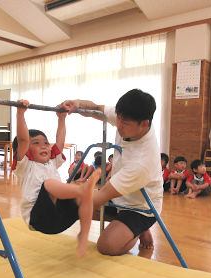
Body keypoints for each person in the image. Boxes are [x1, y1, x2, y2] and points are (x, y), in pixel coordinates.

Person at [60, 89, 163, 255]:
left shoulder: (142, 161)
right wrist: (77, 103)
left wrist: (61, 196)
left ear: (144, 123)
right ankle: (124, 226)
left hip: (139, 207)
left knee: (107, 246)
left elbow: (101, 196)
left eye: (125, 123)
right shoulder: (127, 116)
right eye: (119, 119)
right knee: (73, 209)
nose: (119, 125)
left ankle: (138, 229)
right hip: (118, 198)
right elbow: (96, 108)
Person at [12, 100, 101, 257]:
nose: (45, 146)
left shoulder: (52, 162)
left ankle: (83, 236)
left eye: (46, 143)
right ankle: (81, 189)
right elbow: (23, 140)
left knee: (85, 198)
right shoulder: (25, 165)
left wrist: (61, 118)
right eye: (37, 143)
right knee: (50, 184)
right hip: (39, 218)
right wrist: (20, 114)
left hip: (60, 218)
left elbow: (59, 142)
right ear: (26, 151)